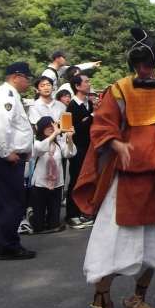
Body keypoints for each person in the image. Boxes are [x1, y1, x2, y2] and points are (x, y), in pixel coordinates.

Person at [71, 27, 155, 308]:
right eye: (138, 62)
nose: (143, 68)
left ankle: (137, 297)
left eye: (147, 62)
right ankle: (100, 305)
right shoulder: (120, 89)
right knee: (109, 246)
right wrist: (116, 144)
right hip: (124, 181)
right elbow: (102, 126)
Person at [0, 62, 36, 260]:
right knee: (12, 202)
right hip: (6, 156)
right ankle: (9, 245)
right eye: (26, 78)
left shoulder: (9, 94)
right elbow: (2, 126)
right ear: (16, 76)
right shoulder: (7, 95)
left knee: (0, 201)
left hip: (5, 154)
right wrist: (7, 152)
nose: (28, 82)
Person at [29, 116, 74, 233]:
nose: (51, 129)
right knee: (38, 223)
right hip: (40, 184)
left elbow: (69, 153)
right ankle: (33, 217)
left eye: (52, 126)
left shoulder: (58, 144)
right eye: (47, 127)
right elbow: (39, 149)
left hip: (57, 184)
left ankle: (51, 222)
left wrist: (69, 138)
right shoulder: (37, 142)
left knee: (54, 223)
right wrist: (54, 134)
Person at [66, 74, 94, 228]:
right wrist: (91, 117)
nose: (89, 84)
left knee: (88, 180)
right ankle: (72, 214)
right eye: (86, 81)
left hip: (90, 147)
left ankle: (85, 211)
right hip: (77, 148)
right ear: (77, 86)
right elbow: (74, 129)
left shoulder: (89, 103)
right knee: (76, 180)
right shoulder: (72, 106)